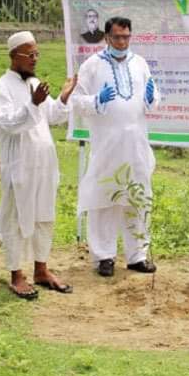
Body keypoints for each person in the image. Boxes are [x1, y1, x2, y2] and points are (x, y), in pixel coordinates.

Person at [0, 31, 77, 298]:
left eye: (37, 54)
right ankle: (16, 274)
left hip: (44, 164)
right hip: (20, 165)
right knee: (17, 219)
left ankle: (41, 268)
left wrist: (62, 98)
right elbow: (9, 124)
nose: (35, 59)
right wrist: (32, 103)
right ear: (15, 56)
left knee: (44, 216)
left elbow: (51, 116)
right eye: (31, 55)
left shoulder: (34, 82)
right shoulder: (1, 89)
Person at [68, 16, 157, 276]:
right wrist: (97, 100)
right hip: (107, 145)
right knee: (104, 200)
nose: (122, 41)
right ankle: (103, 256)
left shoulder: (140, 63)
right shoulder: (92, 66)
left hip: (136, 144)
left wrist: (153, 98)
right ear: (107, 37)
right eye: (117, 37)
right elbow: (76, 100)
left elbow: (152, 96)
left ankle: (137, 255)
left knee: (137, 198)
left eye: (126, 36)